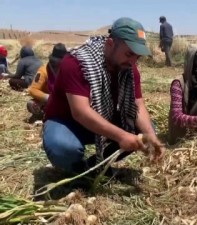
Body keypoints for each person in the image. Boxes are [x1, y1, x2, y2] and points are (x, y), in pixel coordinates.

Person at [42, 17, 165, 176]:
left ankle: (95, 167)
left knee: (144, 132)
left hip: (100, 119)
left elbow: (137, 105)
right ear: (110, 44)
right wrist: (122, 136)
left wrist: (151, 136)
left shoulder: (128, 68)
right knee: (63, 147)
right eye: (129, 53)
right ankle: (76, 171)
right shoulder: (77, 63)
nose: (133, 61)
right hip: (67, 123)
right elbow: (80, 112)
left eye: (138, 57)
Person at [27, 43, 67, 118]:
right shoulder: (43, 70)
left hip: (64, 101)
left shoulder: (68, 70)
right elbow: (33, 89)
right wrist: (49, 98)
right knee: (31, 104)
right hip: (48, 100)